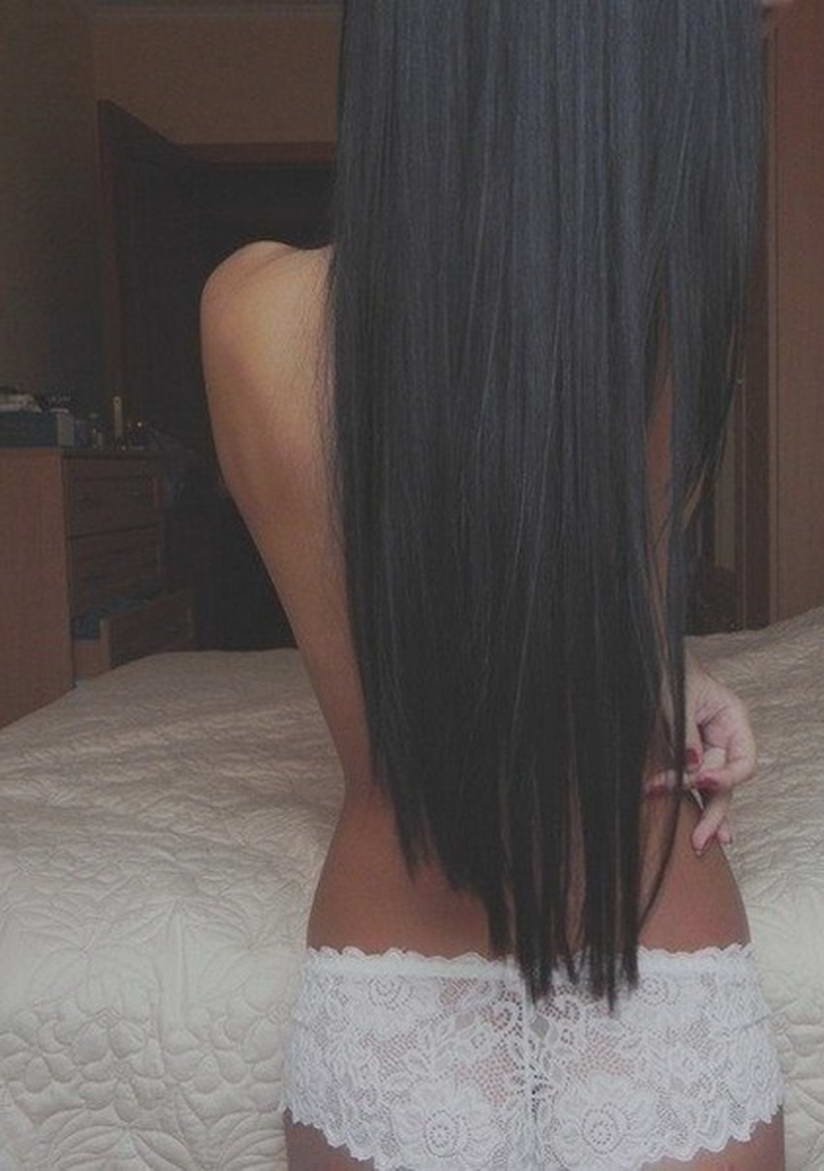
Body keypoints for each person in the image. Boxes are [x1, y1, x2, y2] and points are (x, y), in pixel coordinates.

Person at [201, 2, 785, 1167]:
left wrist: (676, 669)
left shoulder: (247, 309)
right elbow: (573, 580)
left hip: (390, 945)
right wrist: (665, 667)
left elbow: (456, 595)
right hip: (646, 925)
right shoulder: (659, 309)